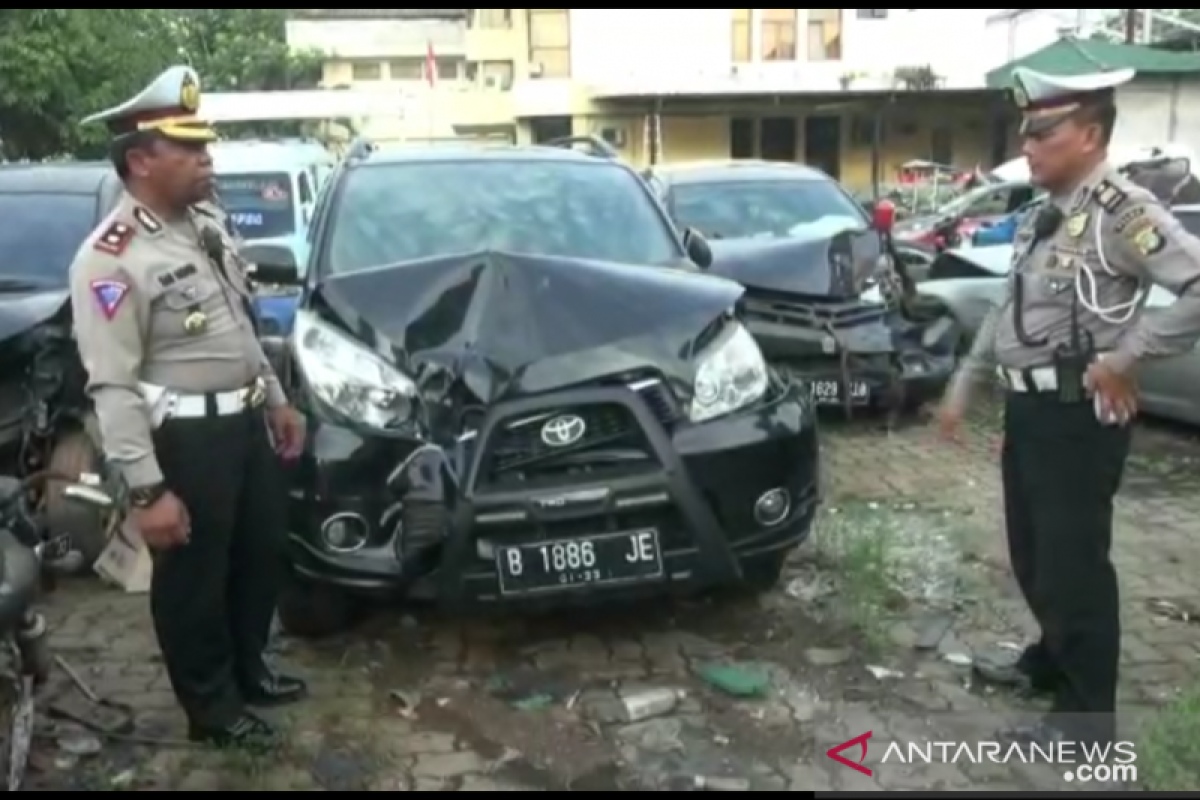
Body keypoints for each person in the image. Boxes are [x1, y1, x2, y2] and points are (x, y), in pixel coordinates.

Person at [937, 65, 1200, 748]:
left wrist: (1123, 359)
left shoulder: (1125, 211)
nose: (1029, 145)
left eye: (1044, 132)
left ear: (1089, 134)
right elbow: (1009, 306)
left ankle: (1088, 724)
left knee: (1074, 563)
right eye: (1026, 132)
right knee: (1033, 554)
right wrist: (966, 384)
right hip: (1032, 416)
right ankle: (1053, 661)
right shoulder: (1045, 212)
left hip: (1080, 416)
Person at [69, 66, 308, 749]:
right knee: (195, 580)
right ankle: (211, 710)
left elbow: (237, 321)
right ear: (141, 160)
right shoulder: (110, 260)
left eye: (207, 145)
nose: (208, 159)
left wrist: (277, 398)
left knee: (259, 554)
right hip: (186, 440)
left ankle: (248, 671)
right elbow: (111, 385)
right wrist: (148, 492)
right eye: (190, 148)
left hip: (246, 422)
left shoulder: (204, 224)